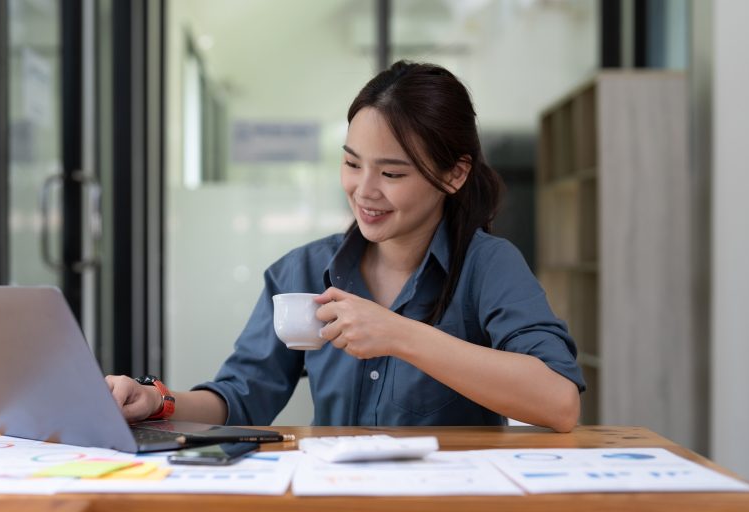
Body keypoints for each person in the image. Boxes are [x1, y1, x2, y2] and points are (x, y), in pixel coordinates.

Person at [106, 61, 585, 432]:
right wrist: (158, 401)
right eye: (352, 164)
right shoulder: (303, 270)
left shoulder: (488, 266)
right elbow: (241, 396)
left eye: (392, 173)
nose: (364, 190)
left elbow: (559, 402)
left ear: (454, 174)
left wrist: (398, 334)